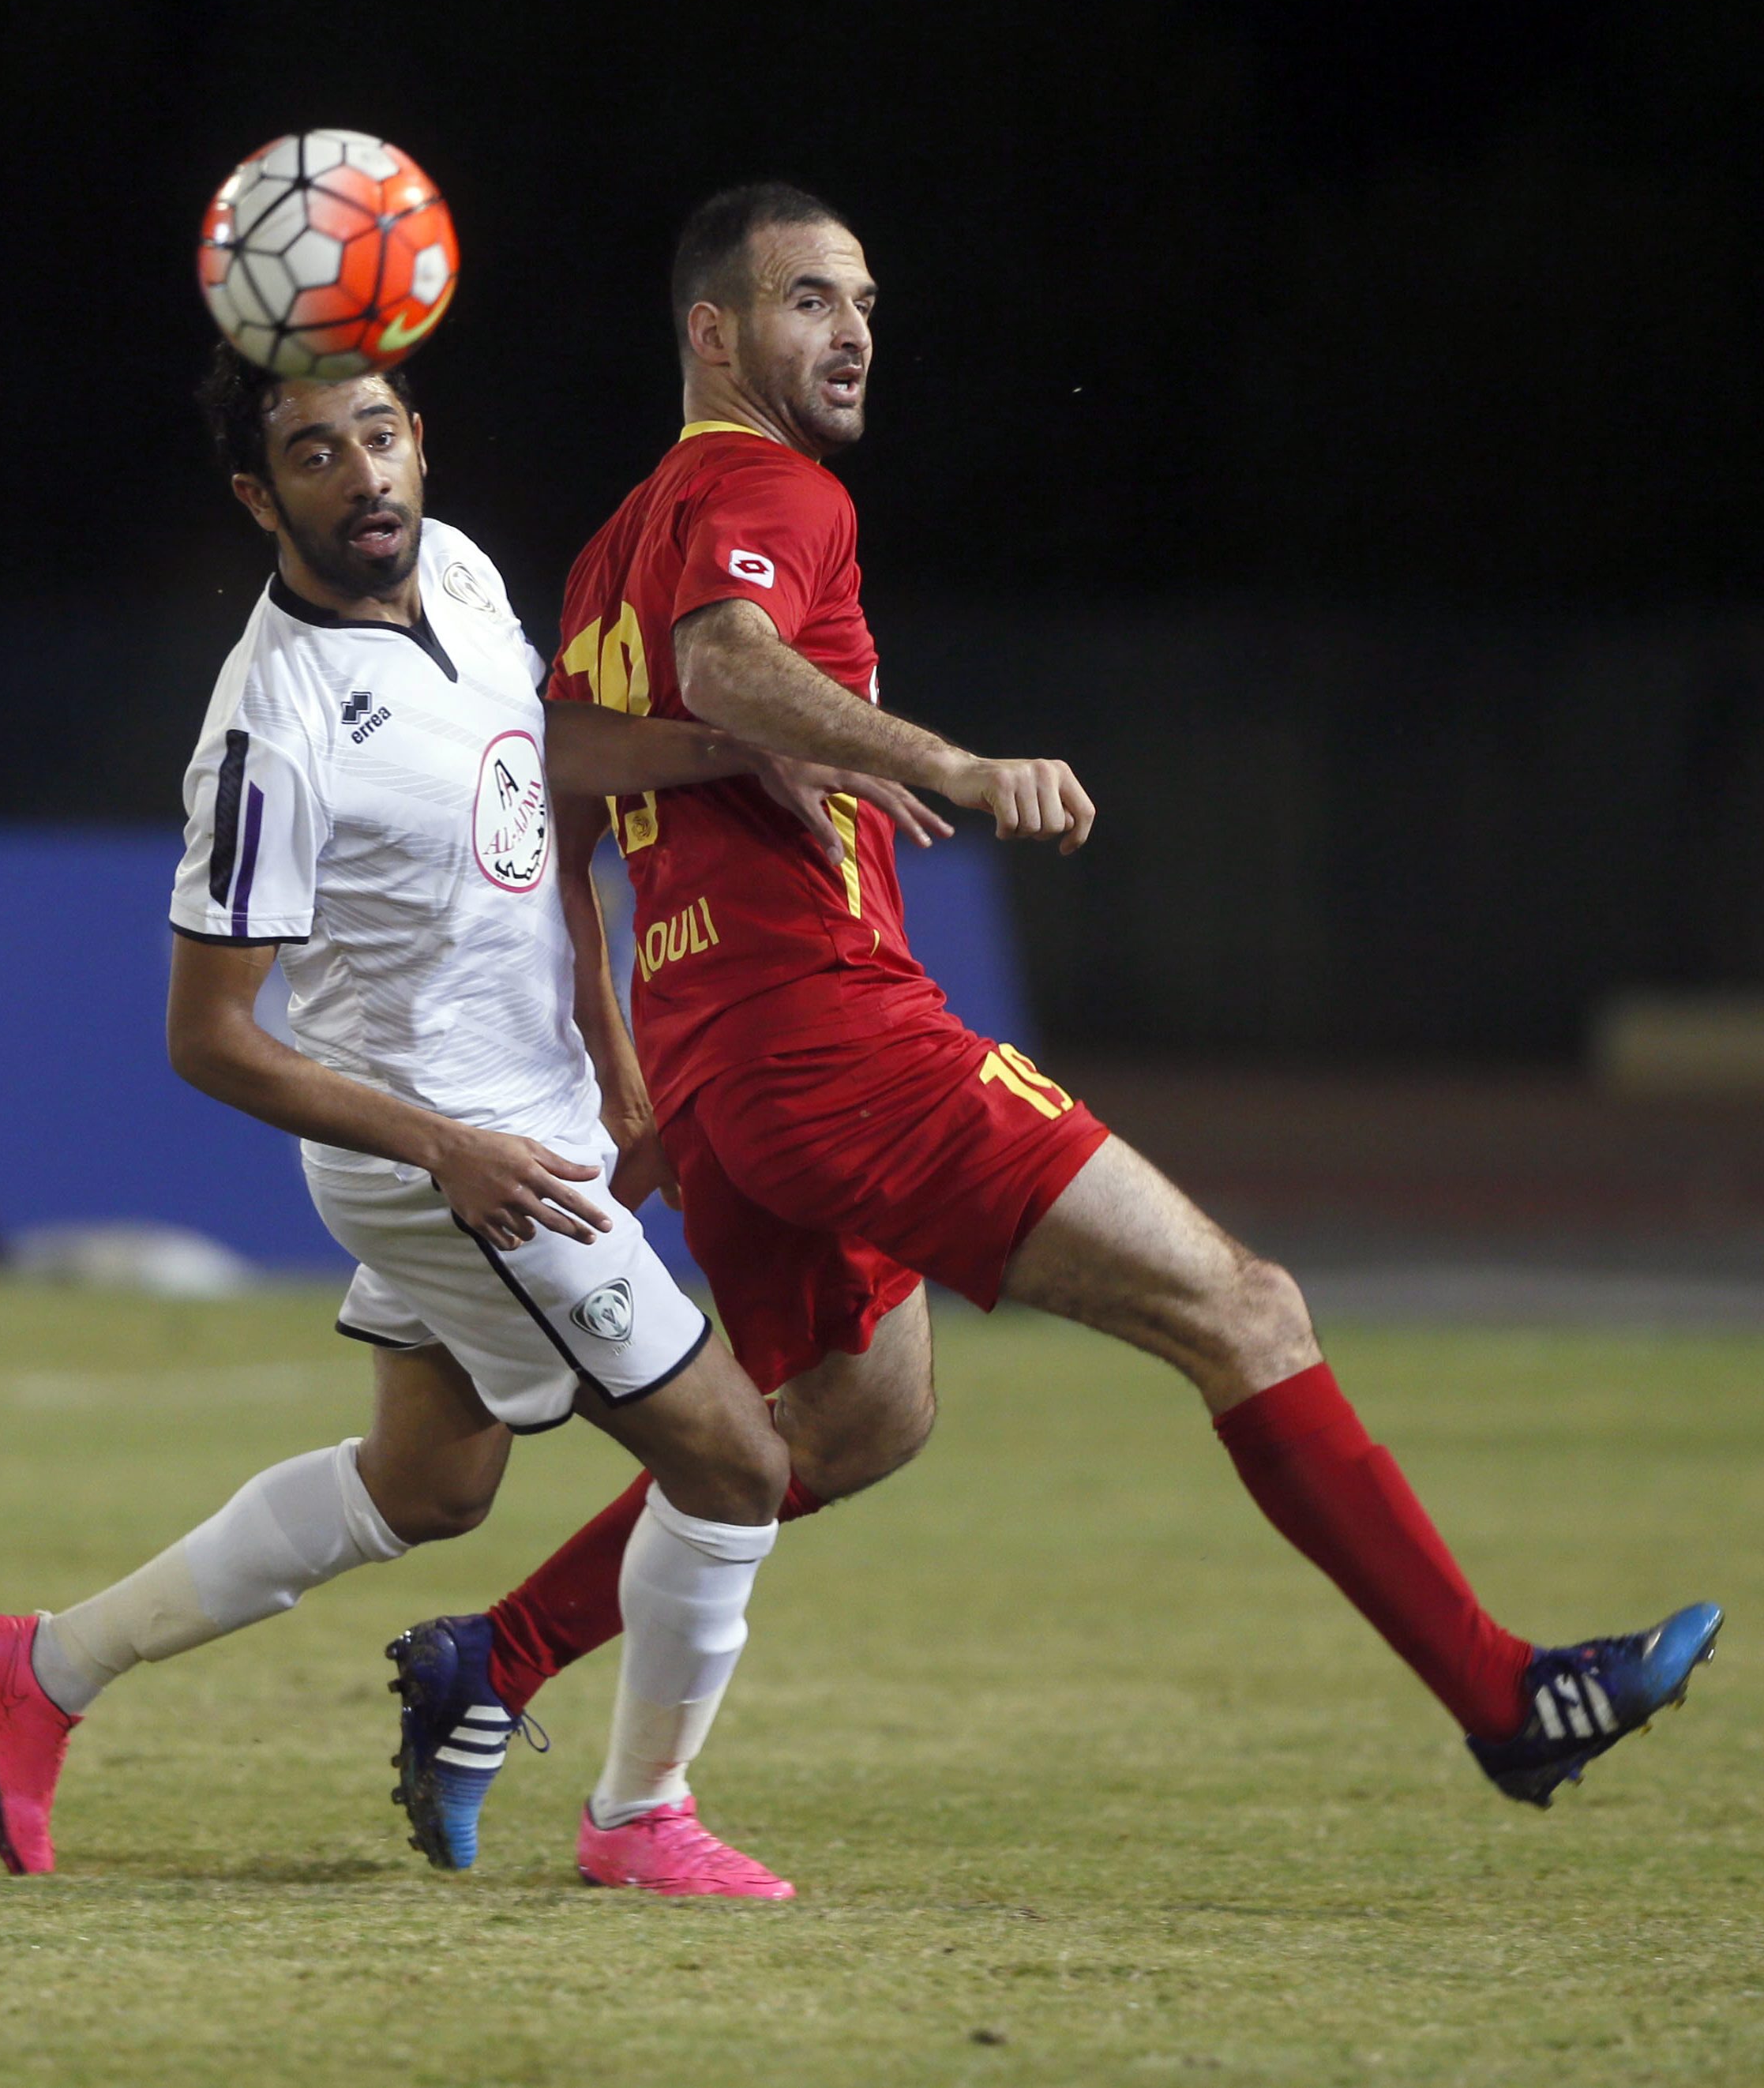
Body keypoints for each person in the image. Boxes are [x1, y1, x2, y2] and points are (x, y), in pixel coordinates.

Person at [390, 181, 1721, 1859]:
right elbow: (730, 667)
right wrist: (942, 762)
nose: (853, 329)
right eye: (809, 299)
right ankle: (1504, 1701)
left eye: (863, 299)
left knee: (843, 1421)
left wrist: (641, 1067)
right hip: (832, 1029)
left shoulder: (606, 546)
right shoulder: (765, 484)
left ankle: (483, 1660)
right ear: (713, 333)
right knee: (1241, 1308)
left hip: (728, 1059)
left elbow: (567, 763)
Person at [0, 340, 928, 1898]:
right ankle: (636, 1815)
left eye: (378, 436)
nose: (364, 474)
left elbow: (538, 762)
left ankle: (39, 1669)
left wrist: (738, 761)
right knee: (732, 1462)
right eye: (317, 453)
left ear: (419, 444)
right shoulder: (270, 731)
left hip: (522, 1117)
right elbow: (208, 1039)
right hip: (461, 1163)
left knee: (432, 1487)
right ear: (261, 494)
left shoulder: (455, 573)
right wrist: (448, 1152)